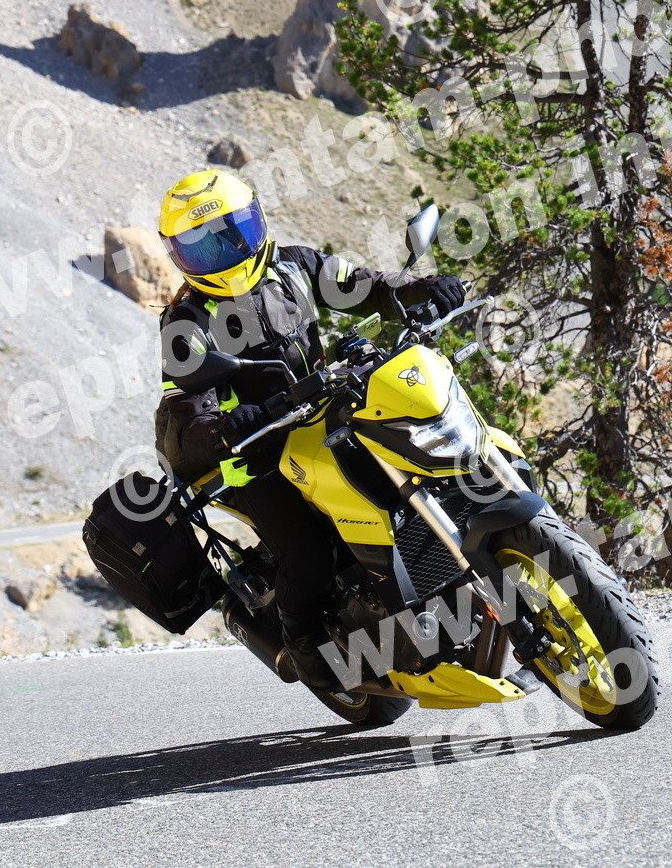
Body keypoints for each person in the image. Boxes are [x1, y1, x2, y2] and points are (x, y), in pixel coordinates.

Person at [152, 169, 463, 688]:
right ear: (178, 255)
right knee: (309, 556)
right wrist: (223, 427)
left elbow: (371, 288)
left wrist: (427, 289)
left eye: (231, 233)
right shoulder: (185, 322)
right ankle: (305, 650)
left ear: (255, 222)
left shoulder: (295, 265)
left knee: (420, 472)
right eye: (202, 246)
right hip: (256, 455)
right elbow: (185, 406)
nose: (223, 253)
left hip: (329, 417)